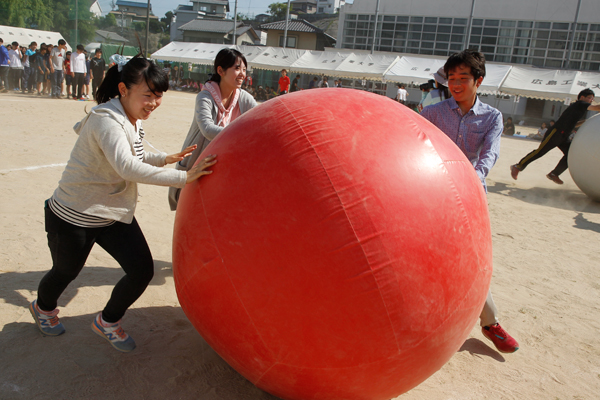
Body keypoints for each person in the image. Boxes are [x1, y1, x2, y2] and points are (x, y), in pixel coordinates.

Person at [29, 54, 217, 352]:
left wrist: (164, 158)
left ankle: (107, 321)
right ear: (123, 89)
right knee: (66, 271)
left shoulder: (131, 118)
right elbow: (126, 167)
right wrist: (182, 178)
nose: (153, 103)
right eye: (148, 96)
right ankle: (43, 308)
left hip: (111, 212)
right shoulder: (106, 119)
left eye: (158, 96)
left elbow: (136, 154)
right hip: (74, 215)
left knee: (142, 269)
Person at [420, 49, 519, 354]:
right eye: (452, 79)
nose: (456, 84)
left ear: (479, 80)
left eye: (464, 78)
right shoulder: (433, 113)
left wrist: (472, 179)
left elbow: (490, 153)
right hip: (431, 195)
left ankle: (490, 324)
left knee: (472, 262)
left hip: (470, 198)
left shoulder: (492, 117)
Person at [168, 48, 257, 210]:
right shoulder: (205, 96)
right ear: (220, 70)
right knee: (192, 211)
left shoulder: (244, 98)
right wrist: (240, 134)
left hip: (224, 165)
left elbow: (259, 120)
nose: (242, 74)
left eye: (244, 70)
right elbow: (207, 129)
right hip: (198, 163)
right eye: (237, 68)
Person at [510, 89, 600, 185]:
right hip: (556, 133)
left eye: (592, 99)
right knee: (540, 152)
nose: (591, 100)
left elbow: (573, 124)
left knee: (570, 155)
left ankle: (554, 174)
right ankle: (518, 166)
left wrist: (586, 121)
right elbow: (597, 108)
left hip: (564, 136)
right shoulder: (580, 104)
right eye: (590, 98)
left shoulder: (578, 108)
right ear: (582, 97)